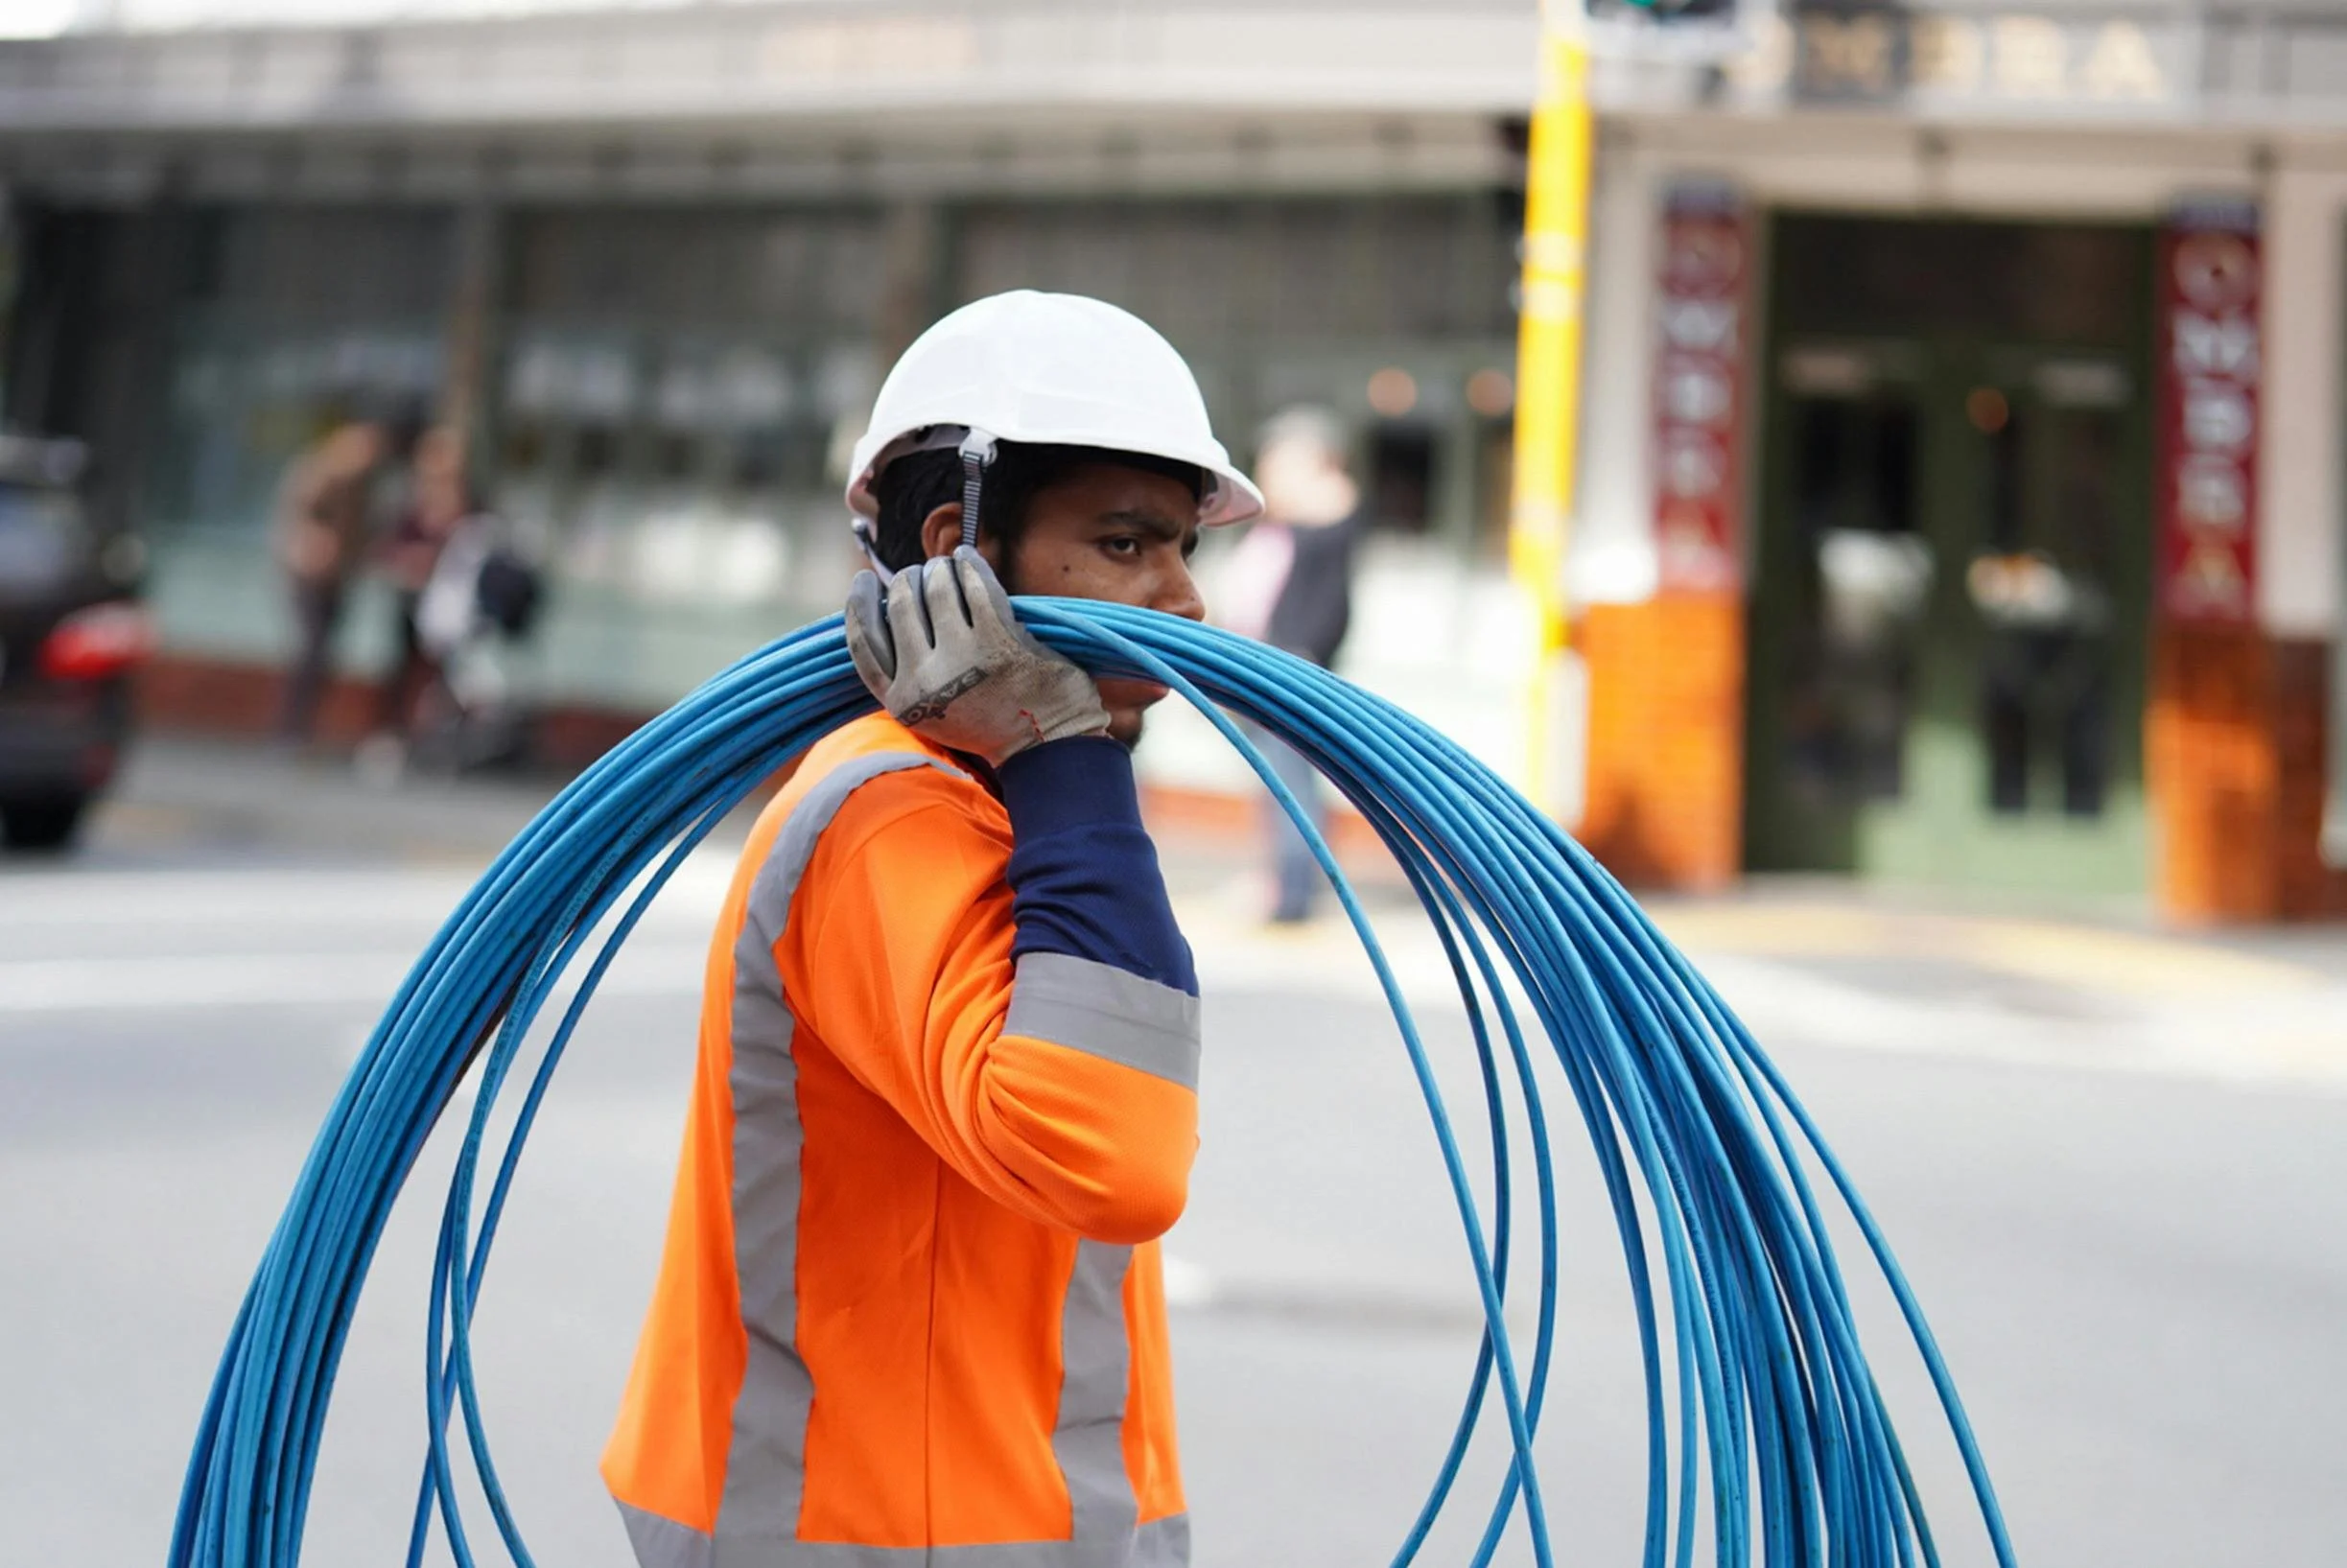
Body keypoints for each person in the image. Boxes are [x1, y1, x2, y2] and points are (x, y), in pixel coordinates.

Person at [602, 291, 1264, 1567]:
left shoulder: (1011, 803)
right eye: (1128, 545)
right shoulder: (890, 811)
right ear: (961, 548)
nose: (1182, 597)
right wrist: (1058, 754)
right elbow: (1113, 1154)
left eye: (1186, 547)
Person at [1217, 406, 1362, 923]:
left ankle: (1294, 891)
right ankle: (1288, 884)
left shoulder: (1324, 522)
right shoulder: (1285, 528)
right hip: (1265, 670)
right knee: (1281, 784)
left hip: (1290, 672)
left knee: (1289, 787)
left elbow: (1324, 607)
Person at [363, 424, 470, 772]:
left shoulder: (466, 503)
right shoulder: (412, 502)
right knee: (401, 669)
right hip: (411, 596)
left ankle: (442, 744)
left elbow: (476, 545)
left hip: (450, 605)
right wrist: (409, 561)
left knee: (448, 675)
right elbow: (387, 545)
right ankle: (391, 738)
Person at [270, 418, 386, 743]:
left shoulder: (364, 486)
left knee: (324, 652)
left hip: (339, 575)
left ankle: (304, 723)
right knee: (311, 648)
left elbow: (364, 529)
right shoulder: (322, 473)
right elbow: (300, 517)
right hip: (307, 573)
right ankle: (291, 726)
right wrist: (315, 545)